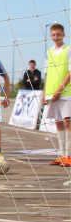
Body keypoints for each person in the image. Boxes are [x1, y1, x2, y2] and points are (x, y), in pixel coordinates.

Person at [42, 24, 71, 167]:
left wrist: (60, 89)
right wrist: (44, 93)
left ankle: (69, 155)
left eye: (58, 34)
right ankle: (62, 155)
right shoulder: (49, 52)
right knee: (58, 122)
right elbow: (47, 73)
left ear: (63, 35)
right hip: (51, 92)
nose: (56, 37)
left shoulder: (68, 49)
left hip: (66, 92)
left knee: (67, 122)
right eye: (53, 35)